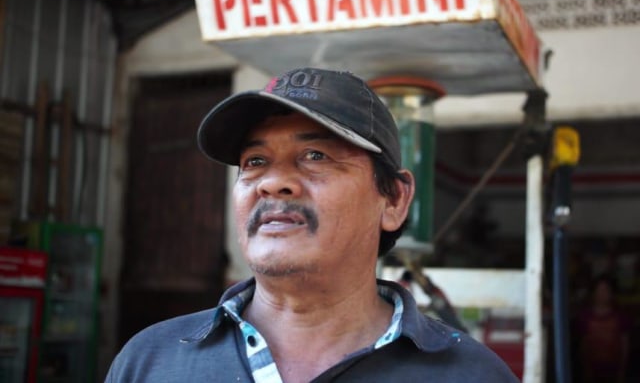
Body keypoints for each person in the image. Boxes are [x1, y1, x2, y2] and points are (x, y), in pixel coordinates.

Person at [105, 67, 518, 382]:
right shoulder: (149, 361)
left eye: (316, 156)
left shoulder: (472, 375)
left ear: (393, 198)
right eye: (255, 162)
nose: (273, 182)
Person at [576, 274, 631, 383]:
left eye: (606, 290)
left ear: (612, 293)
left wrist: (622, 371)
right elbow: (583, 345)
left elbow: (625, 344)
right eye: (600, 290)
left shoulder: (620, 316)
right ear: (593, 293)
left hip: (614, 369)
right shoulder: (585, 317)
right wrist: (586, 369)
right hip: (593, 370)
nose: (603, 294)